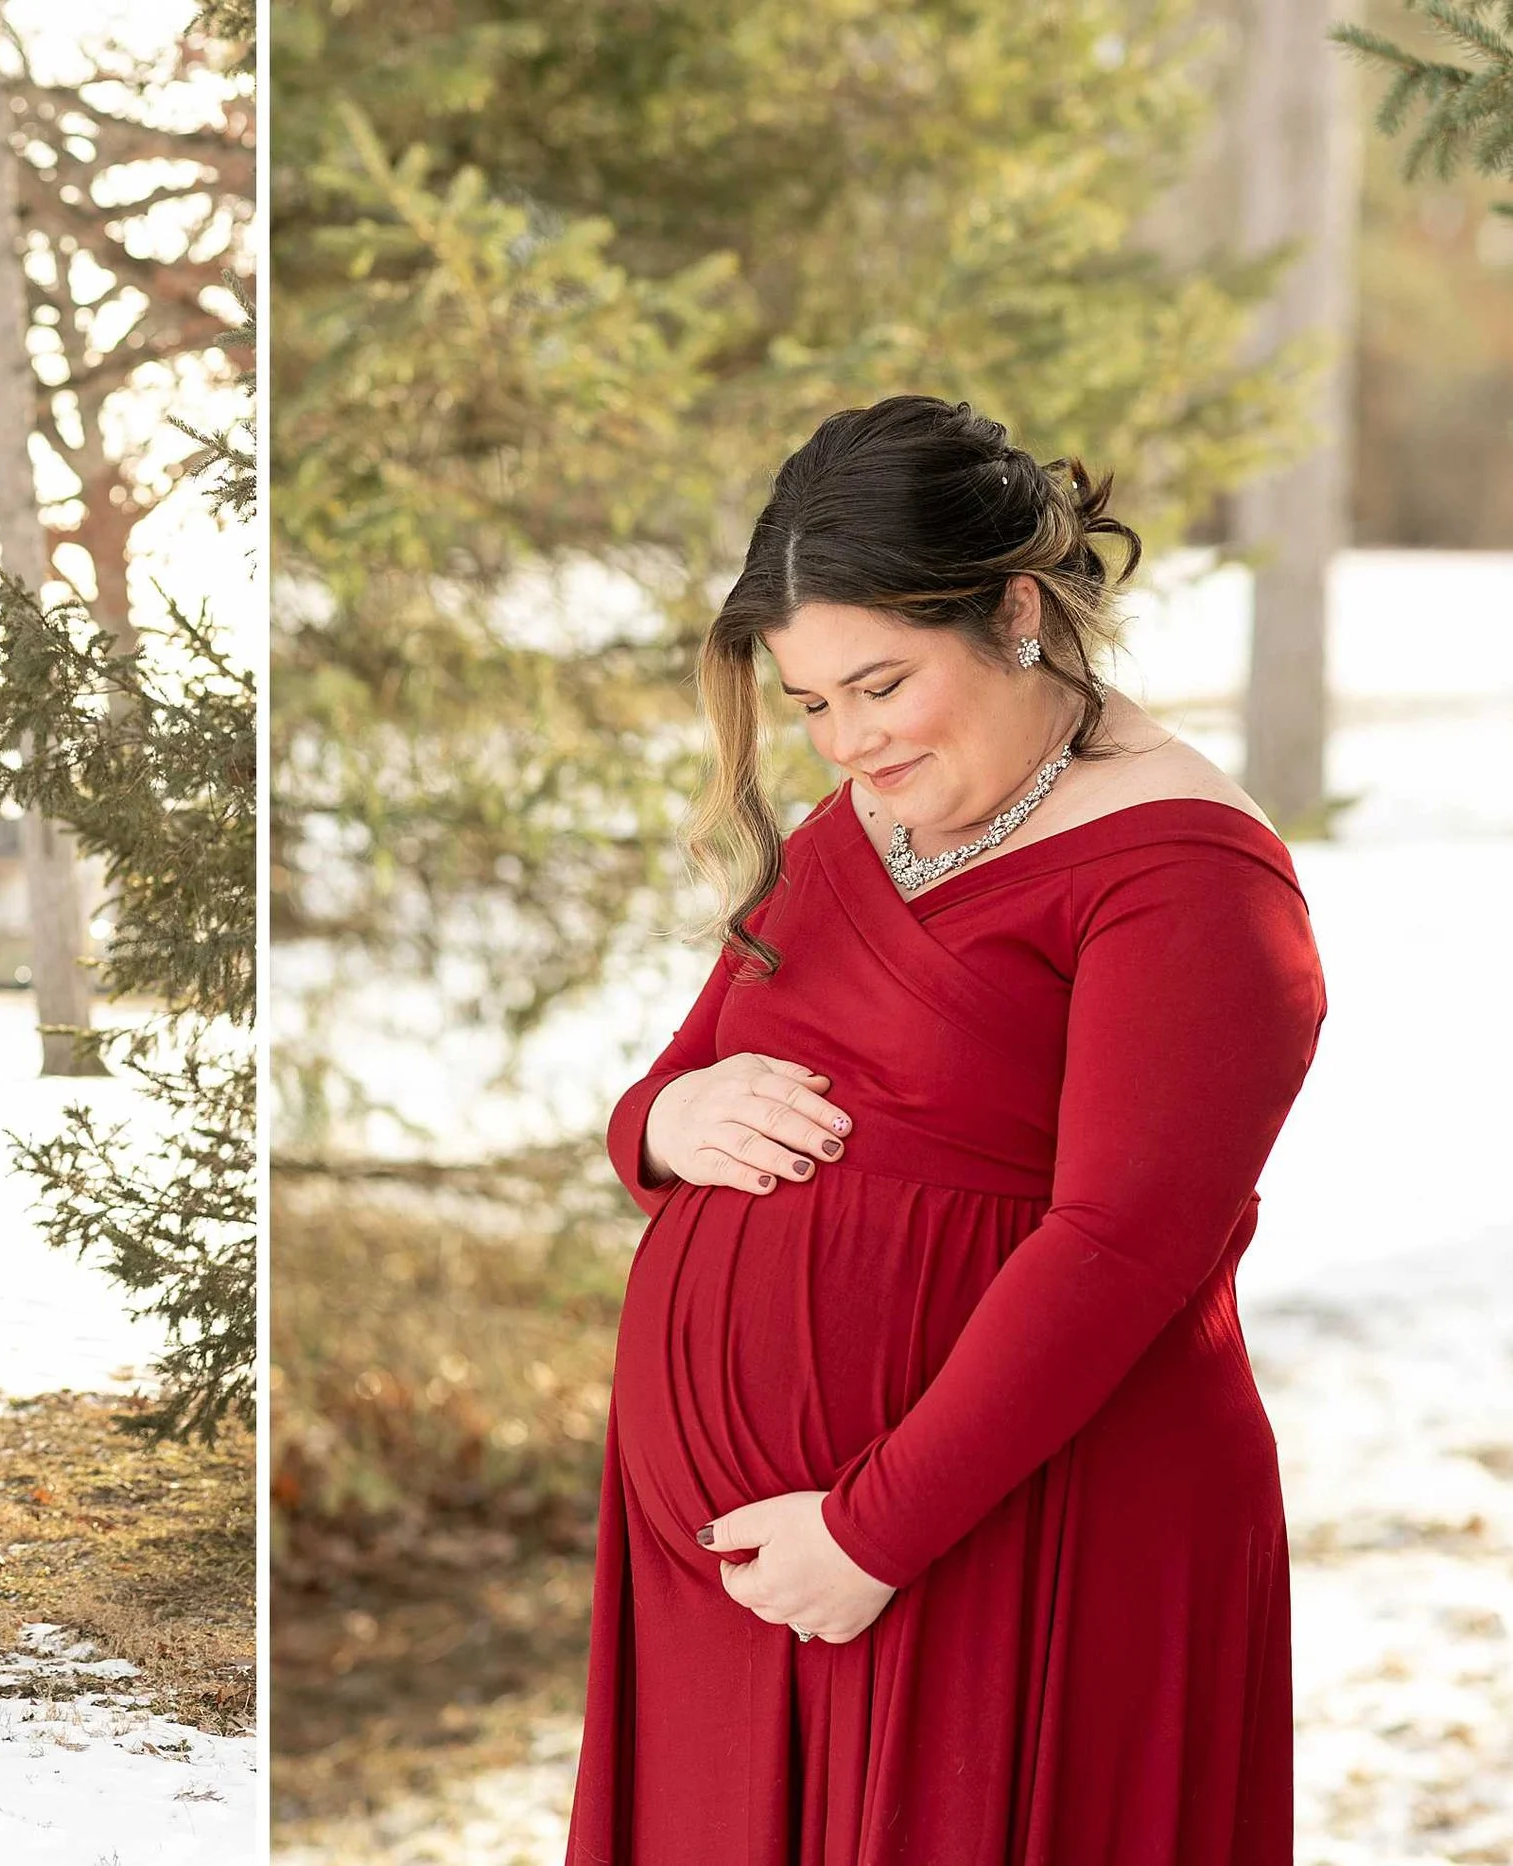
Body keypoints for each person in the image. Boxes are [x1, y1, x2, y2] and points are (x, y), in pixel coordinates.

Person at [566, 395, 1327, 1865]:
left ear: (1016, 611)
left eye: (879, 684)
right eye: (808, 704)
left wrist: (869, 1533)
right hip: (751, 1591)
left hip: (1004, 1552)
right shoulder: (880, 823)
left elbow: (1124, 1246)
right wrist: (663, 1120)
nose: (845, 743)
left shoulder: (1188, 877)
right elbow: (673, 1081)